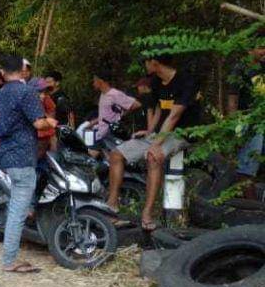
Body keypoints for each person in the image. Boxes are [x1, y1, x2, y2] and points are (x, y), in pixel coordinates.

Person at [106, 54, 203, 231]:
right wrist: (150, 132)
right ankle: (111, 207)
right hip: (160, 132)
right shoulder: (157, 82)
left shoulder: (186, 81)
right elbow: (160, 109)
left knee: (153, 156)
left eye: (146, 62)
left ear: (155, 63)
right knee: (116, 154)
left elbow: (174, 116)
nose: (145, 65)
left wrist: (156, 144)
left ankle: (147, 214)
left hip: (181, 133)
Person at [0, 54, 58, 273]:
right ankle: (9, 260)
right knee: (19, 210)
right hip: (23, 156)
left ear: (2, 72)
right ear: (23, 71)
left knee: (17, 203)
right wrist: (50, 121)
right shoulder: (27, 92)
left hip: (4, 157)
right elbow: (38, 123)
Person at [227, 43, 264, 199]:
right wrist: (234, 126)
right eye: (261, 47)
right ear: (250, 50)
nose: (264, 51)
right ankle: (251, 205)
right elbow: (232, 100)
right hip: (248, 120)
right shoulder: (240, 69)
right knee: (248, 163)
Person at [92, 69, 141, 144]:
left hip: (111, 134)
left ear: (100, 81)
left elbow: (136, 104)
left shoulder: (114, 94)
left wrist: (121, 116)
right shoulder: (103, 94)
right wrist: (91, 123)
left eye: (95, 81)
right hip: (101, 133)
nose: (93, 83)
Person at [35, 78, 58, 154]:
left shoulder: (47, 100)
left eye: (45, 92)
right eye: (40, 92)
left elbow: (52, 120)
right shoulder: (26, 102)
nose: (43, 95)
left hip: (46, 136)